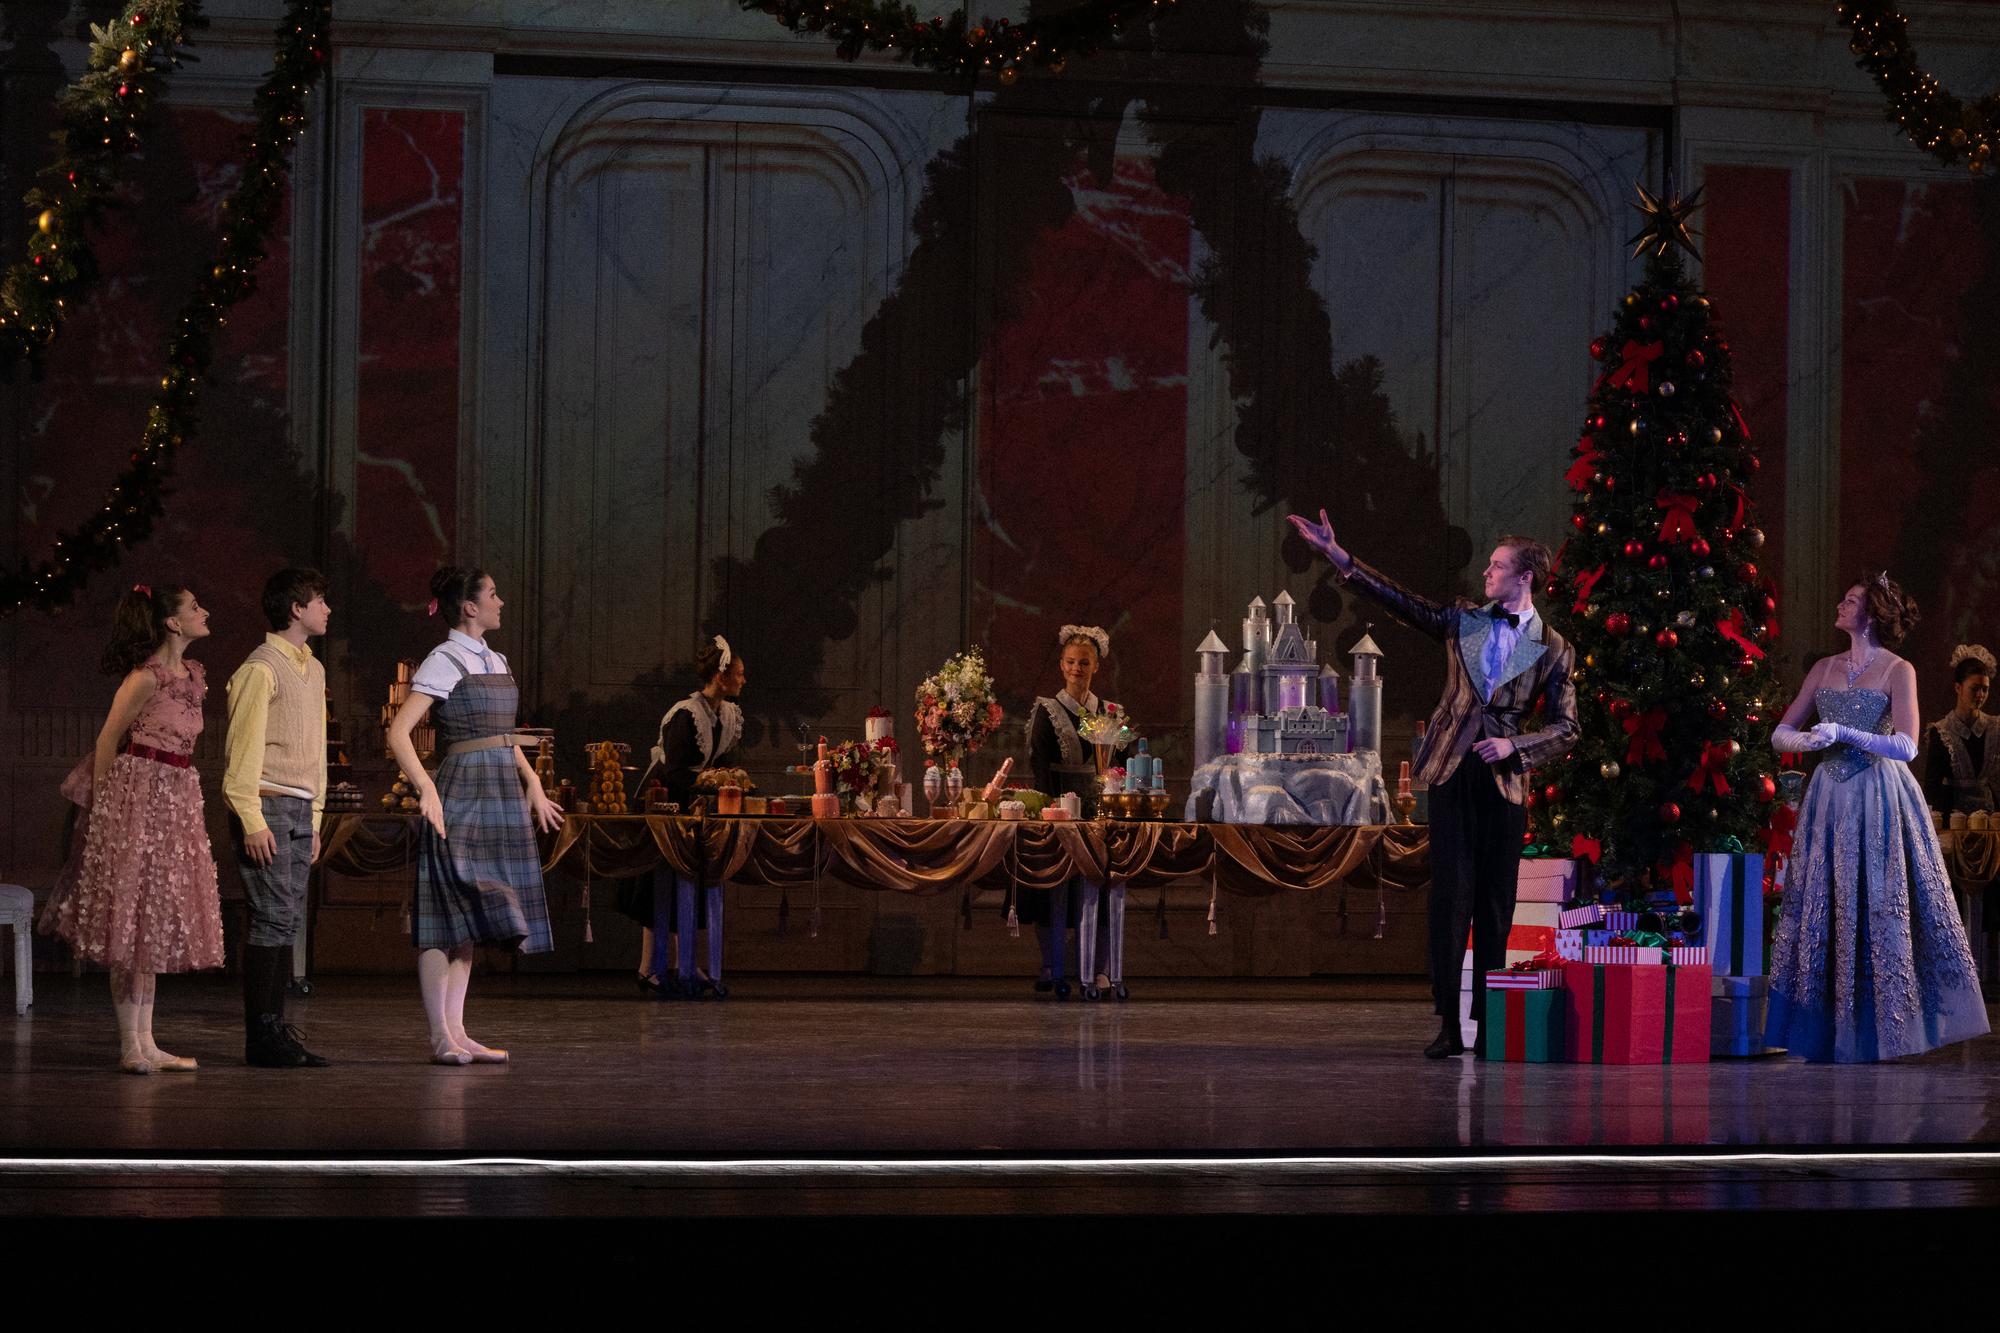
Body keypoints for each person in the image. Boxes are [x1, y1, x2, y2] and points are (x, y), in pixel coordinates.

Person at [1288, 511, 1578, 1057]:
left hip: (1503, 781)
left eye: (1497, 566)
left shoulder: (1555, 647)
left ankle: (1489, 1024)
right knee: (1451, 899)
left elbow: (1568, 728)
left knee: (1495, 905)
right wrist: (1338, 556)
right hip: (1451, 769)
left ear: (1525, 577)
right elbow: (1404, 603)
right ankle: (1448, 1022)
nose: (1487, 572)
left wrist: (1516, 746)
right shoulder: (1465, 619)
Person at [1765, 572, 1988, 1061]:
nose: (1840, 606)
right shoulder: (1824, 668)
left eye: (1850, 601)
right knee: (1827, 904)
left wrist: (1845, 732)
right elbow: (1781, 731)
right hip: (1829, 796)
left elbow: (1906, 745)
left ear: (1872, 614)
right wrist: (1809, 739)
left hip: (1878, 794)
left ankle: (1884, 1026)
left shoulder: (1897, 669)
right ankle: (1829, 1027)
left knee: (1881, 903)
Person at [387, 566, 564, 1063]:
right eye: (493, 594)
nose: (500, 602)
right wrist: (426, 788)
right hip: (462, 790)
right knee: (446, 914)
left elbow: (504, 736)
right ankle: (439, 1036)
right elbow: (399, 733)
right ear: (469, 606)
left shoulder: (495, 658)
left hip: (500, 792)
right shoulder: (444, 660)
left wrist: (533, 784)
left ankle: (458, 1030)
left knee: (473, 916)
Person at [47, 584, 225, 1073]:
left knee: (153, 917)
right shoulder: (145, 678)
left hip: (176, 797)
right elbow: (108, 739)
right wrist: (107, 808)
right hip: (138, 795)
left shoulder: (195, 675)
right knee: (132, 917)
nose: (205, 611)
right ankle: (130, 1044)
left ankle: (148, 1042)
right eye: (195, 607)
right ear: (172, 622)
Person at [225, 567, 333, 1069]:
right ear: (296, 608)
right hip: (266, 803)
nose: (327, 609)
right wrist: (251, 818)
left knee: (286, 918)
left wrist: (316, 817)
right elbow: (241, 751)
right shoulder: (261, 668)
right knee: (270, 916)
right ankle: (261, 1035)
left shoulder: (314, 668)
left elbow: (317, 751)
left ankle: (274, 1030)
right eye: (320, 600)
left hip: (299, 806)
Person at [627, 636, 746, 999]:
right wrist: (710, 784)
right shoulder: (686, 714)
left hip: (695, 808)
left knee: (690, 886)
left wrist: (726, 781)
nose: (743, 680)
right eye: (738, 674)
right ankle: (649, 967)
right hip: (667, 803)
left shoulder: (726, 714)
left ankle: (684, 964)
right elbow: (676, 771)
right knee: (659, 887)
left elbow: (720, 762)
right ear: (720, 676)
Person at [1026, 624, 1132, 1000]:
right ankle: (1051, 963)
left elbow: (1125, 760)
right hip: (1059, 810)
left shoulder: (1110, 712)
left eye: (1084, 662)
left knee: (1101, 885)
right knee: (1051, 886)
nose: (1077, 668)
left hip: (1101, 813)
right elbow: (1039, 766)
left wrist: (1116, 794)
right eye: (1071, 662)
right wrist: (1051, 810)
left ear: (1096, 666)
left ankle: (1101, 968)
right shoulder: (1047, 710)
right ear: (1061, 664)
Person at [1922, 643, 1997, 814]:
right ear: (1958, 688)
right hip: (1953, 816)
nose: (1980, 695)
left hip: (1989, 816)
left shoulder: (1994, 727)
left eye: (1985, 689)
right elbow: (1931, 788)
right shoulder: (1941, 731)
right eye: (1974, 689)